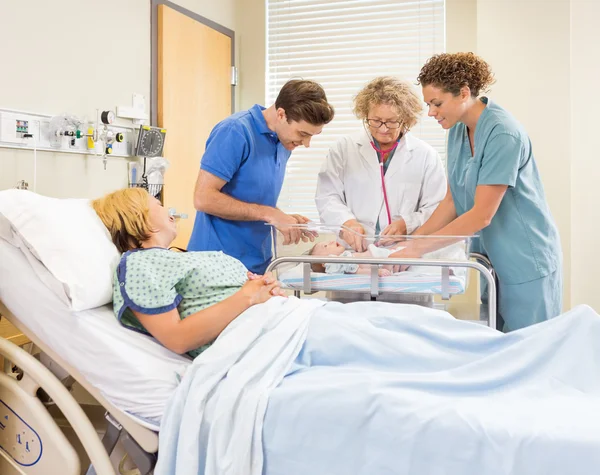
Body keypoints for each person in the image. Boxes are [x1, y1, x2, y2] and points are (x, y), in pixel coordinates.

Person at [390, 52, 563, 332]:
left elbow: (481, 215)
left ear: (464, 93)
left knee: (531, 349)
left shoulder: (503, 133)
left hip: (525, 258)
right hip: (492, 258)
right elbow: (452, 201)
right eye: (428, 104)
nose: (431, 112)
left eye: (436, 103)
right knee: (499, 345)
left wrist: (416, 250)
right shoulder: (458, 132)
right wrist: (412, 240)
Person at [92, 188, 286, 358]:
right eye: (158, 205)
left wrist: (264, 288)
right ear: (138, 216)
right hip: (264, 339)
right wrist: (249, 295)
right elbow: (178, 338)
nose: (168, 210)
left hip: (280, 322)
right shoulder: (140, 264)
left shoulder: (175, 258)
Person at [189, 79, 335, 274]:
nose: (306, 143)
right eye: (302, 133)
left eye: (312, 136)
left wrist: (283, 217)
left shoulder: (284, 142)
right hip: (215, 264)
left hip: (255, 263)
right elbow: (203, 198)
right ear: (281, 114)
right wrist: (270, 214)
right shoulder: (235, 131)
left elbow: (250, 197)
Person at [315, 76, 446, 252]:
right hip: (353, 251)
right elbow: (327, 196)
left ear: (406, 119)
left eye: (392, 122)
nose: (383, 129)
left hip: (401, 252)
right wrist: (346, 222)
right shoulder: (343, 149)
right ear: (365, 115)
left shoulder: (426, 156)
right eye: (376, 121)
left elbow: (437, 208)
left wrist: (407, 224)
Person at [308, 240, 400, 275]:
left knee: (402, 252)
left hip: (380, 256)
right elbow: (359, 271)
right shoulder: (340, 263)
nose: (331, 241)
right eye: (325, 246)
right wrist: (377, 272)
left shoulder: (345, 257)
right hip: (381, 260)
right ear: (325, 263)